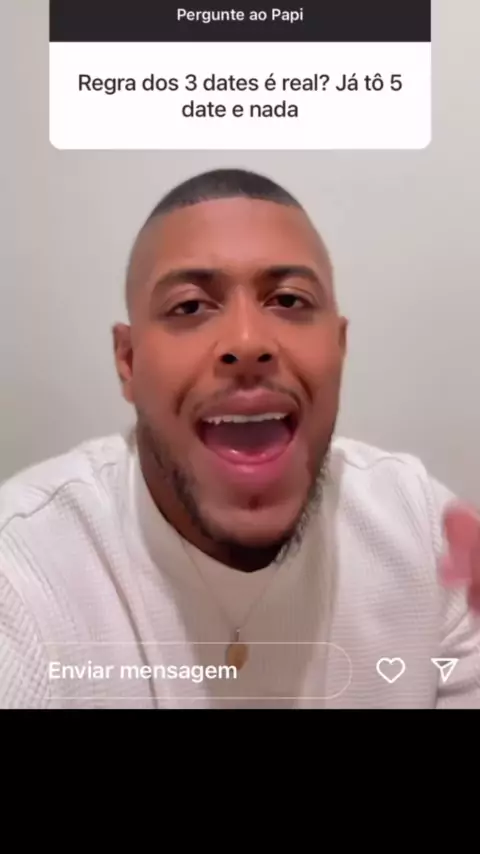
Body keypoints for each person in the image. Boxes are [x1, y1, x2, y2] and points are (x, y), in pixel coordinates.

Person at [0, 168, 479, 709]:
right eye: (189, 306)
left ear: (340, 347)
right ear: (128, 362)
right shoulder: (24, 572)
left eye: (289, 301)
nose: (248, 342)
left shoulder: (425, 535)